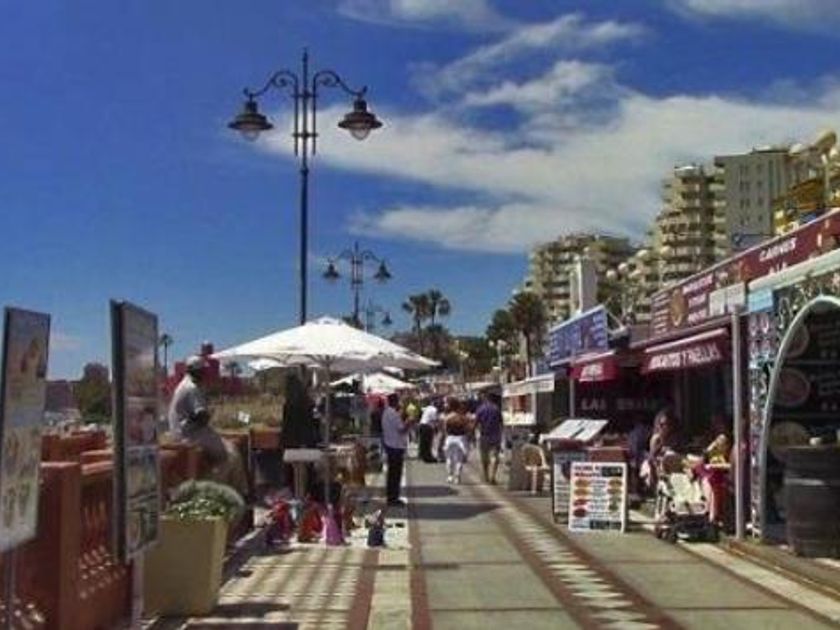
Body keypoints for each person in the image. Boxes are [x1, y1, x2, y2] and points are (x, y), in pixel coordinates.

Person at [168, 356, 248, 494]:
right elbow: (202, 417)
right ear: (197, 371)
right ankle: (214, 490)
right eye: (203, 371)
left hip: (181, 431)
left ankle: (236, 490)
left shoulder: (184, 385)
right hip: (190, 434)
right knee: (231, 454)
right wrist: (210, 413)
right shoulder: (192, 388)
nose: (205, 374)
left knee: (230, 448)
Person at [382, 393, 411, 506]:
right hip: (396, 446)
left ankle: (392, 497)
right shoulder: (393, 414)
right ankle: (393, 498)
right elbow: (401, 429)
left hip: (389, 444)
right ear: (395, 402)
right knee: (395, 474)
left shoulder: (386, 413)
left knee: (392, 474)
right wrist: (409, 422)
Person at [474, 392, 503, 484]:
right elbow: (501, 423)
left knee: (484, 456)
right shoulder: (496, 409)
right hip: (495, 435)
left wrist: (472, 434)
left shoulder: (480, 409)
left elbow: (476, 422)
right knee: (495, 456)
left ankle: (486, 475)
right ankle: (493, 476)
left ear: (485, 399)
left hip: (484, 435)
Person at [443, 398, 473, 484]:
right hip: (461, 438)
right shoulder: (463, 418)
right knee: (459, 459)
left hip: (450, 438)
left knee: (449, 458)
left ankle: (450, 476)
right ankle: (457, 477)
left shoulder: (447, 417)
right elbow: (469, 429)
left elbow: (444, 429)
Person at [418, 399, 439, 463]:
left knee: (422, 442)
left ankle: (422, 455)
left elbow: (421, 410)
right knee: (428, 443)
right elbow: (434, 420)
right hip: (427, 426)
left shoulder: (427, 408)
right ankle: (427, 457)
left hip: (422, 424)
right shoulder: (434, 410)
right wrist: (436, 428)